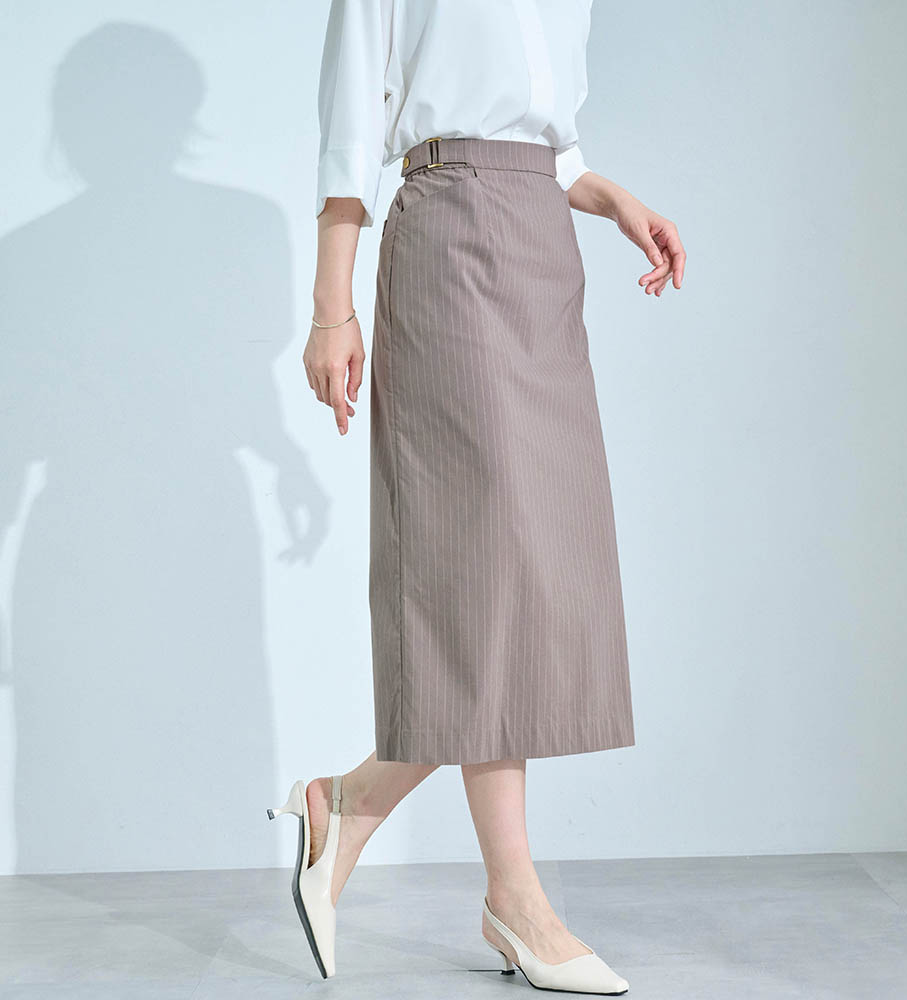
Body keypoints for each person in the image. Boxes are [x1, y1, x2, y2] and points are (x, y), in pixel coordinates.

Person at [269, 2, 685, 994]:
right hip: (449, 234)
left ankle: (354, 805)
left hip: (545, 244)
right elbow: (349, 134)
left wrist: (612, 197)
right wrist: (331, 309)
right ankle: (515, 898)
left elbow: (552, 142)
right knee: (483, 568)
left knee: (539, 573)